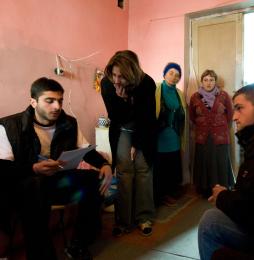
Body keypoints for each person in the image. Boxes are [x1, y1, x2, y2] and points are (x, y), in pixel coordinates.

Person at [0, 77, 113, 260]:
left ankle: (79, 244)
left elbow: (85, 149)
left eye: (60, 100)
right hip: (25, 188)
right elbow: (3, 168)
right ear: (33, 102)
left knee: (95, 179)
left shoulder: (68, 123)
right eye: (49, 101)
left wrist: (105, 165)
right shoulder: (8, 125)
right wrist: (33, 168)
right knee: (34, 186)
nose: (57, 106)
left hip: (55, 183)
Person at [198, 83, 254, 260]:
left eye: (240, 108)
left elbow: (249, 209)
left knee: (210, 221)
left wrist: (222, 196)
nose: (234, 117)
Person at [101, 50, 156, 236]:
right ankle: (123, 221)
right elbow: (116, 117)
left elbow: (146, 117)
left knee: (143, 170)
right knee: (124, 172)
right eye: (114, 74)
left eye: (121, 77)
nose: (116, 80)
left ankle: (144, 217)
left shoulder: (146, 83)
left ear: (132, 74)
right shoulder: (107, 84)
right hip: (121, 129)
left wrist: (137, 144)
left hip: (144, 129)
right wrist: (122, 99)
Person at [189, 69, 234, 198]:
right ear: (202, 82)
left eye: (211, 80)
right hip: (202, 136)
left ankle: (221, 189)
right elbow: (192, 116)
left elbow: (230, 115)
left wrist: (219, 125)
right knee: (204, 162)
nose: (208, 83)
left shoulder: (224, 95)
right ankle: (205, 189)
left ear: (215, 81)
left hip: (220, 135)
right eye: (206, 80)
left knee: (220, 161)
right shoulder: (195, 97)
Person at [154, 62, 186, 206]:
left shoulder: (179, 93)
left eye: (177, 75)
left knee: (173, 165)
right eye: (171, 73)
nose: (174, 77)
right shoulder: (156, 89)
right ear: (164, 73)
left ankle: (170, 192)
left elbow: (182, 112)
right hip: (159, 136)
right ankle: (159, 195)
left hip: (174, 135)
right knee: (160, 166)